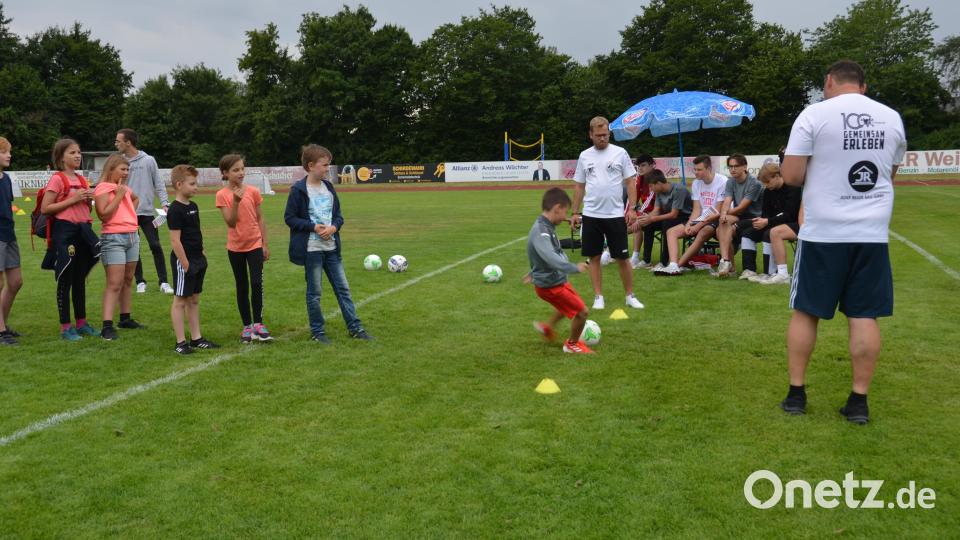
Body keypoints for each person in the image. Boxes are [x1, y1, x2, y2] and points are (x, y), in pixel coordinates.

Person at [779, 60, 906, 424]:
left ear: (829, 82)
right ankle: (859, 402)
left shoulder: (814, 115)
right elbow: (889, 172)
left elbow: (791, 175)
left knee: (806, 311)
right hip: (871, 232)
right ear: (863, 86)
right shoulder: (891, 117)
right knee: (864, 315)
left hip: (824, 231)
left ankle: (796, 395)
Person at [284, 144, 373, 343]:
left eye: (328, 165)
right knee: (315, 293)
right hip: (312, 250)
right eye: (324, 165)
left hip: (332, 249)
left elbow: (339, 217)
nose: (327, 169)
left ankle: (355, 328)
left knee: (343, 290)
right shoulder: (298, 190)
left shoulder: (329, 187)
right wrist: (313, 227)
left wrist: (334, 227)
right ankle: (318, 332)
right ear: (311, 165)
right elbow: (289, 218)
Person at [570, 116, 644, 310]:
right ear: (591, 135)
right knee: (594, 257)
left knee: (622, 257)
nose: (603, 138)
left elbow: (630, 182)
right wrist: (575, 212)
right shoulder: (584, 156)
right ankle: (598, 297)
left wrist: (633, 209)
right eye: (599, 135)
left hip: (615, 214)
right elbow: (579, 185)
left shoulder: (620, 153)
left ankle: (630, 296)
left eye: (606, 135)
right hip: (591, 214)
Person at [40, 139, 100, 341]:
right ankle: (66, 327)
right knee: (65, 279)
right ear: (60, 157)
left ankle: (82, 323)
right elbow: (46, 208)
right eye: (72, 152)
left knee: (80, 279)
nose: (77, 156)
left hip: (83, 231)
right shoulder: (57, 179)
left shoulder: (82, 180)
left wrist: (88, 199)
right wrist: (73, 199)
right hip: (64, 233)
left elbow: (86, 210)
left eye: (79, 151)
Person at [525, 187, 592, 353]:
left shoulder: (545, 224)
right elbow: (550, 257)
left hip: (554, 281)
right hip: (551, 285)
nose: (565, 216)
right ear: (556, 208)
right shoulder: (542, 232)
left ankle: (547, 328)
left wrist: (566, 219)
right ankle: (572, 344)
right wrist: (574, 267)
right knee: (582, 312)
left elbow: (540, 255)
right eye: (565, 212)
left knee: (565, 308)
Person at [216, 154, 273, 343]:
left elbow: (260, 218)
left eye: (242, 168)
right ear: (225, 173)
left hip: (255, 244)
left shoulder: (254, 191)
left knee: (257, 283)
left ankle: (258, 323)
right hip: (235, 247)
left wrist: (264, 243)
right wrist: (236, 201)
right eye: (235, 170)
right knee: (242, 286)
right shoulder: (222, 195)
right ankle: (247, 326)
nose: (241, 173)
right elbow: (231, 223)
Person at [168, 164, 219, 354]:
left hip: (198, 259)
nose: (196, 187)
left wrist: (202, 252)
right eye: (192, 183)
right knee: (180, 300)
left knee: (194, 299)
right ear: (179, 184)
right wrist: (185, 262)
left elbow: (196, 232)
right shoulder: (174, 210)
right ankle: (180, 343)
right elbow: (175, 240)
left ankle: (197, 338)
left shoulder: (194, 206)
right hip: (185, 261)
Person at [114, 129, 173, 295]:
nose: (116, 144)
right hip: (128, 212)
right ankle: (140, 281)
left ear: (128, 142)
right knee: (134, 248)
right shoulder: (119, 162)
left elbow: (159, 184)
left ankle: (164, 282)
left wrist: (165, 202)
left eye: (118, 141)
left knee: (155, 245)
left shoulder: (148, 160)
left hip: (146, 212)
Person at [93, 154, 145, 340]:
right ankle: (107, 326)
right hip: (113, 237)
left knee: (128, 279)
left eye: (127, 169)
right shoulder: (103, 188)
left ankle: (125, 318)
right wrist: (120, 196)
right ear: (111, 169)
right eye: (122, 169)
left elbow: (136, 199)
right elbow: (104, 215)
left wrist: (128, 211)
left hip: (132, 235)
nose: (126, 173)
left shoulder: (123, 188)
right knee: (114, 283)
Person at [655, 155, 727, 275]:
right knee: (671, 232)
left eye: (699, 170)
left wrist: (697, 226)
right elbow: (696, 210)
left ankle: (678, 265)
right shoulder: (696, 183)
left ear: (709, 168)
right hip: (701, 218)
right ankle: (672, 264)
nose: (696, 172)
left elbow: (717, 211)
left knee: (702, 232)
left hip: (716, 219)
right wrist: (689, 224)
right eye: (695, 169)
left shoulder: (722, 181)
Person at [748, 162, 802, 285]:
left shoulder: (793, 188)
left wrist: (768, 221)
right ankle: (768, 272)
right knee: (751, 230)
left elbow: (790, 215)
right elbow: (766, 214)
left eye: (768, 182)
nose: (766, 186)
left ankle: (782, 274)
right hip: (779, 223)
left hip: (799, 223)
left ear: (777, 176)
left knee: (774, 232)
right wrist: (763, 221)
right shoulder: (767, 191)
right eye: (764, 183)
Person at [714, 154, 764, 278]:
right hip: (738, 215)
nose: (733, 169)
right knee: (722, 224)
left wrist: (725, 213)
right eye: (730, 166)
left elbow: (742, 207)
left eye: (736, 166)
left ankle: (728, 266)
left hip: (753, 217)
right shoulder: (730, 181)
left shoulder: (754, 183)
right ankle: (726, 262)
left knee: (722, 229)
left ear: (745, 167)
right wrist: (724, 213)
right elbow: (727, 201)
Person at [635, 169, 692, 270]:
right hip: (669, 217)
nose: (650, 189)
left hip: (686, 218)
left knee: (666, 223)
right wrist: (645, 218)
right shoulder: (659, 191)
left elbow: (674, 214)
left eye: (651, 186)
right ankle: (646, 260)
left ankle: (663, 262)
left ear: (659, 183)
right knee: (648, 224)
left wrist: (652, 219)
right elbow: (656, 211)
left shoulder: (678, 190)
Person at [0, 137, 23, 345]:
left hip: (9, 234)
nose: (9, 155)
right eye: (4, 152)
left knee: (15, 282)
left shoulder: (6, 178)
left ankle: (3, 325)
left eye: (9, 151)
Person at [629, 154, 656, 268]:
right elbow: (634, 197)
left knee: (636, 224)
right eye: (639, 166)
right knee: (620, 223)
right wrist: (632, 212)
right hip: (645, 212)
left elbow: (650, 200)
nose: (640, 168)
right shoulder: (640, 178)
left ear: (652, 165)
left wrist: (637, 215)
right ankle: (611, 253)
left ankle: (635, 257)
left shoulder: (656, 178)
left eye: (643, 165)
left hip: (657, 213)